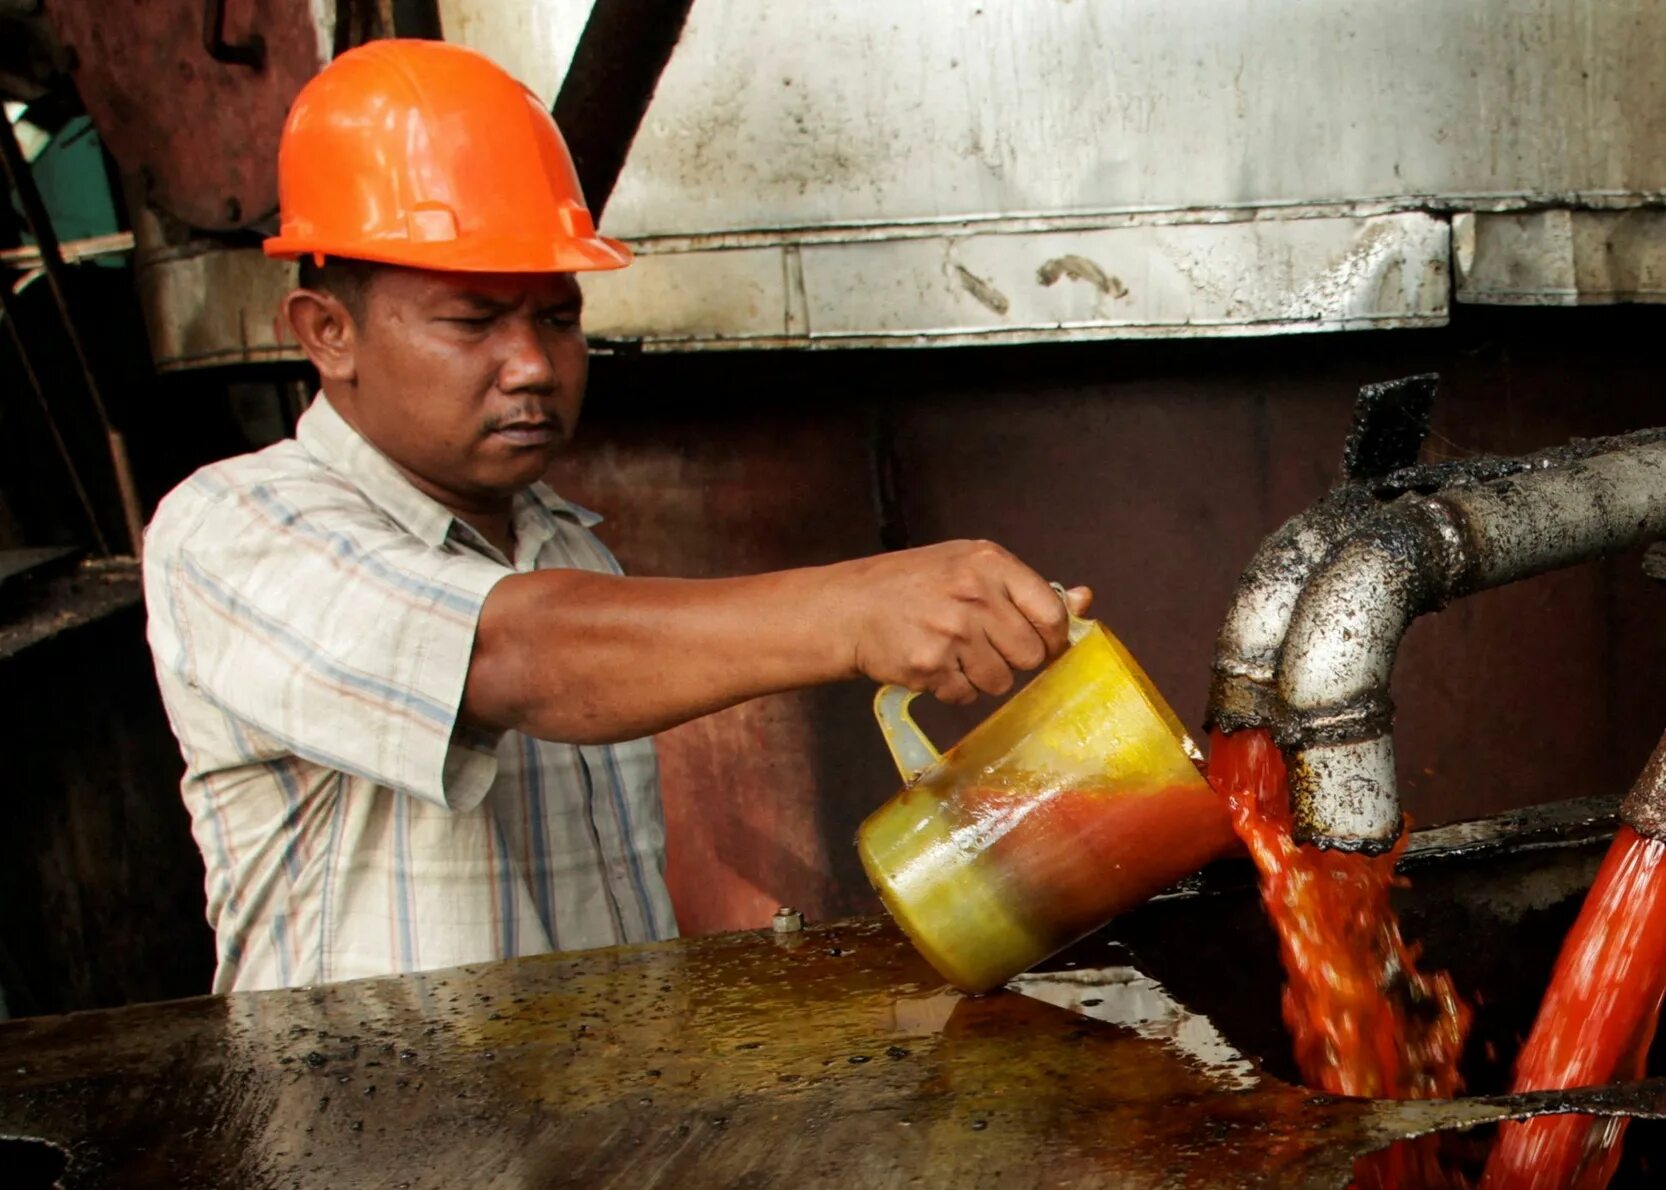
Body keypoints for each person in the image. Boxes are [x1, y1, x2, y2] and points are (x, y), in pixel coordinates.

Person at [144, 39, 1085, 993]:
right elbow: (508, 655)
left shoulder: (561, 539)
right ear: (326, 333)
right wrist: (859, 609)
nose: (532, 367)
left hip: (586, 1116)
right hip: (367, 1129)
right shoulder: (232, 530)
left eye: (557, 319)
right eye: (474, 322)